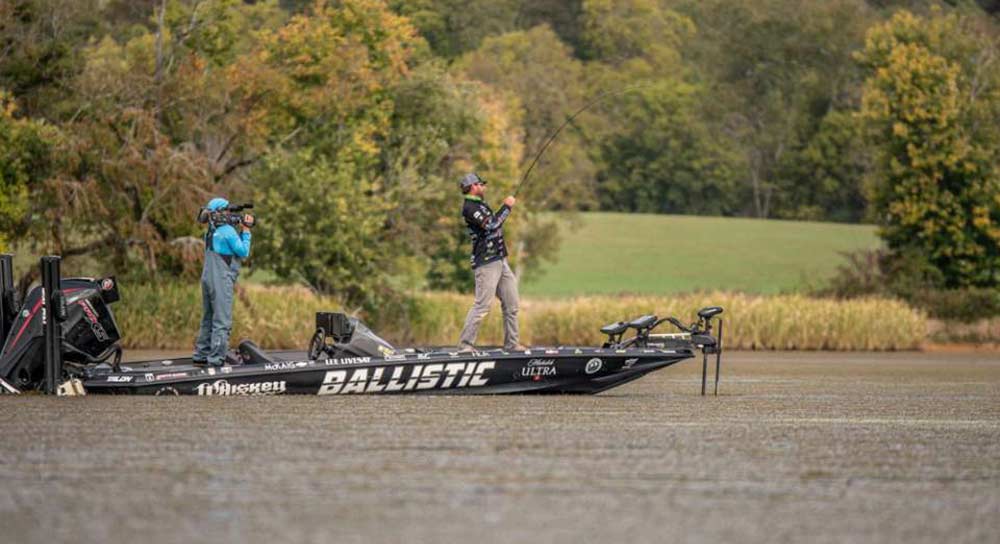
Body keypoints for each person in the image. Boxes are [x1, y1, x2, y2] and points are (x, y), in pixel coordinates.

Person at [457, 173, 525, 352]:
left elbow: (493, 223)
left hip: (500, 260)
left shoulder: (480, 204)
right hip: (486, 262)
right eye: (482, 184)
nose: (484, 187)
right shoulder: (470, 207)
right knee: (482, 305)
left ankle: (512, 344)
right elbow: (492, 225)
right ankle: (465, 345)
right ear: (473, 187)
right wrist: (507, 207)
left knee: (512, 304)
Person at [193, 197, 252, 366]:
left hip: (207, 278)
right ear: (220, 212)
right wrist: (246, 231)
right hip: (220, 279)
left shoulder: (210, 231)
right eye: (227, 210)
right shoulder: (227, 231)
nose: (229, 213)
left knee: (208, 318)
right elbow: (243, 252)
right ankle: (216, 360)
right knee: (222, 321)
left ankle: (201, 355)